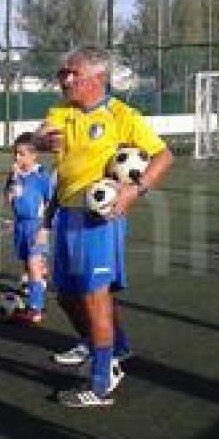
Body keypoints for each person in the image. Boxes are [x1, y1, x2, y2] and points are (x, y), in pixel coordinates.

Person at [31, 47, 174, 408]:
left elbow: (163, 155)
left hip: (98, 218)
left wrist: (133, 191)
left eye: (71, 73)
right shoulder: (61, 111)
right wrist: (41, 140)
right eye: (62, 73)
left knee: (96, 297)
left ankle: (100, 381)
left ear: (97, 77)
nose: (64, 79)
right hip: (64, 214)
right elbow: (41, 135)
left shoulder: (121, 116)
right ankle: (112, 349)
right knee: (66, 296)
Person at [5, 132, 55, 324]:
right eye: (15, 154)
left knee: (33, 264)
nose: (17, 158)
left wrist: (45, 228)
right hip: (20, 225)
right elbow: (9, 198)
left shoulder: (42, 175)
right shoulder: (15, 175)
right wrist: (14, 180)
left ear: (34, 155)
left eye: (21, 154)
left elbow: (51, 202)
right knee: (27, 264)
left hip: (37, 226)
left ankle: (35, 309)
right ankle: (39, 278)